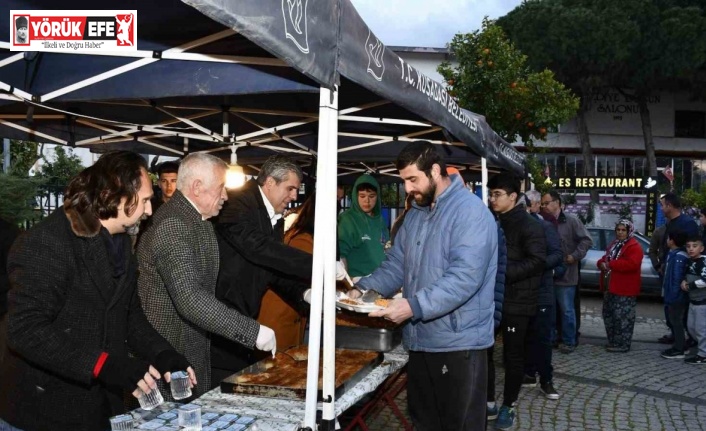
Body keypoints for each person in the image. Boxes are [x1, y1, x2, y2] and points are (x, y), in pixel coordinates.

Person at [0, 151, 194, 431]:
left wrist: (164, 354)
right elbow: (25, 330)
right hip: (41, 411)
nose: (150, 211)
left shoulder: (122, 245)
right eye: (146, 200)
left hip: (98, 408)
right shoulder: (47, 242)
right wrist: (104, 365)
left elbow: (130, 317)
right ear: (116, 194)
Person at [352, 141, 498, 431]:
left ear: (434, 171)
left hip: (459, 344)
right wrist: (362, 290)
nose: (407, 189)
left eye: (412, 179)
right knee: (424, 422)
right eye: (404, 180)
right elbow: (395, 265)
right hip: (420, 340)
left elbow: (464, 277)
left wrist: (413, 306)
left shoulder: (470, 212)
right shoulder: (417, 213)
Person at [137, 153, 273, 399]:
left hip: (188, 351)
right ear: (197, 187)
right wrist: (252, 332)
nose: (225, 196)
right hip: (171, 356)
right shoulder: (174, 225)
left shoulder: (196, 221)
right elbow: (190, 298)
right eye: (221, 188)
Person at [212, 155, 348, 382]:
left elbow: (272, 268)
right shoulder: (236, 202)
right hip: (221, 317)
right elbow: (259, 249)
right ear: (270, 183)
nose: (294, 196)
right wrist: (318, 266)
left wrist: (302, 293)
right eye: (290, 188)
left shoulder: (270, 214)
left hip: (245, 316)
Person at [487, 176, 546, 430]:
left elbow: (538, 261)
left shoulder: (529, 225)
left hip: (518, 301)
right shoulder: (491, 221)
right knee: (485, 351)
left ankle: (508, 406)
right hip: (492, 300)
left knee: (513, 356)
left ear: (513, 197)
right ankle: (488, 400)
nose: (492, 199)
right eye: (491, 194)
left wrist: (503, 272)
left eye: (497, 194)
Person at [259, 192, 318, 349]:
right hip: (282, 313)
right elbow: (296, 278)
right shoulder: (303, 239)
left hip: (285, 311)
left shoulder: (300, 234)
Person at [522, 202, 565, 401]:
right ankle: (528, 373)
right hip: (518, 292)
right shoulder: (508, 228)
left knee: (542, 338)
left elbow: (557, 255)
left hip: (542, 292)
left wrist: (536, 266)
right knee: (523, 336)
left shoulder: (545, 227)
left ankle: (546, 379)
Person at [541, 190, 592, 353]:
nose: (544, 206)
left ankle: (570, 341)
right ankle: (553, 338)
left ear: (557, 203)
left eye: (547, 203)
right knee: (551, 311)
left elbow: (587, 240)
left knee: (567, 310)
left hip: (567, 275)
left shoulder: (571, 221)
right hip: (550, 273)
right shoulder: (543, 221)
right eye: (543, 203)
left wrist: (574, 256)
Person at [597, 219, 644, 353]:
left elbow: (632, 264)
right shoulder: (615, 244)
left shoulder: (634, 246)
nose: (620, 232)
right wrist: (601, 263)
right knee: (609, 315)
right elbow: (607, 257)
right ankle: (613, 341)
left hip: (625, 289)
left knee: (622, 317)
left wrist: (610, 264)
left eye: (623, 230)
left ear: (629, 231)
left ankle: (623, 344)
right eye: (618, 230)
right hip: (610, 287)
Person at [338, 174, 390, 278]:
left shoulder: (380, 220)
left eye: (371, 196)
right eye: (362, 196)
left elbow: (386, 248)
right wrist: (347, 284)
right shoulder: (347, 219)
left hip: (381, 282)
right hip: (357, 282)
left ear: (378, 197)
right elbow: (340, 256)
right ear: (355, 196)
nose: (367, 200)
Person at [660, 230, 690, 359]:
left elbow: (676, 279)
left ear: (672, 241)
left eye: (668, 238)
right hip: (672, 295)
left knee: (676, 321)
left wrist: (672, 297)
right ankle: (680, 344)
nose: (667, 241)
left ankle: (679, 348)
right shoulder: (674, 254)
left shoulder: (679, 257)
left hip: (675, 297)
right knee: (675, 321)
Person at [682, 236, 706, 364]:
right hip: (693, 301)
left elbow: (704, 281)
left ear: (701, 248)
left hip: (702, 303)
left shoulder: (704, 262)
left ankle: (703, 354)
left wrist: (689, 286)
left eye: (694, 246)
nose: (691, 249)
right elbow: (687, 275)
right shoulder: (690, 261)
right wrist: (684, 281)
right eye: (688, 246)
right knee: (691, 327)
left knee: (701, 329)